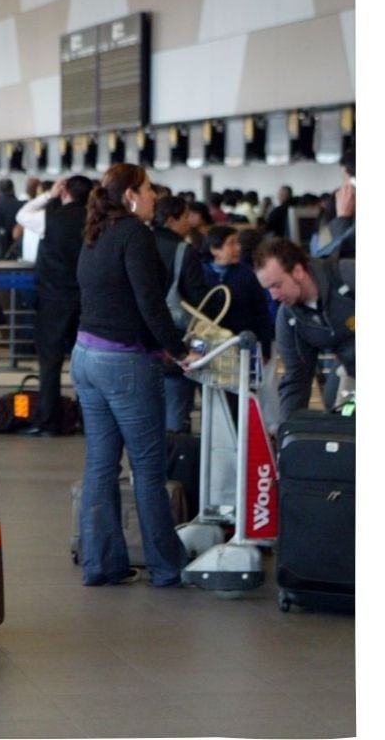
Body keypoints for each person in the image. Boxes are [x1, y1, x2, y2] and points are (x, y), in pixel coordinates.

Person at [71, 164, 198, 589]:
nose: (154, 197)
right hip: (124, 362)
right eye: (146, 189)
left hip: (86, 355)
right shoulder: (135, 236)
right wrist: (178, 351)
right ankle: (166, 566)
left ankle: (100, 563)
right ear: (129, 194)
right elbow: (150, 302)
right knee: (147, 466)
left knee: (100, 465)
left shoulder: (95, 233)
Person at [18, 175, 93, 437]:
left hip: (52, 299)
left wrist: (48, 195)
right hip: (86, 299)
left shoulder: (51, 218)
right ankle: (87, 419)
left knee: (49, 363)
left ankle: (49, 420)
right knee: (84, 363)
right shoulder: (94, 220)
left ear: (65, 192)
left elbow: (23, 214)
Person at [254, 236, 356, 422]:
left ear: (298, 271)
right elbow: (296, 379)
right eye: (268, 289)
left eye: (277, 285)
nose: (274, 296)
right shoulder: (289, 319)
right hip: (353, 375)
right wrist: (288, 434)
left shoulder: (348, 275)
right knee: (343, 415)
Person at [154, 195, 212, 431]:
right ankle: (175, 457)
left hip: (141, 341)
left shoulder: (140, 241)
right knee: (176, 405)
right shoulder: (183, 251)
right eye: (185, 217)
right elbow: (199, 299)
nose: (190, 222)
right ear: (171, 220)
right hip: (177, 336)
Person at [201, 224, 276, 358]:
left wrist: (265, 347)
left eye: (238, 243)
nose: (238, 248)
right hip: (210, 346)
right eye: (231, 243)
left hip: (243, 343)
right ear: (214, 249)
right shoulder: (200, 274)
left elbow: (261, 311)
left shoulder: (246, 273)